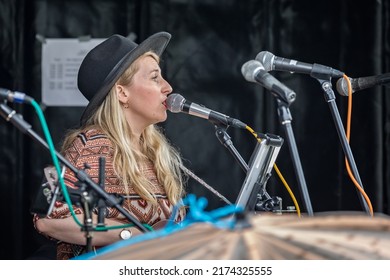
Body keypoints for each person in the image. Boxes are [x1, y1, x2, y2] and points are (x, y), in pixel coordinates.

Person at [33, 31, 187, 260]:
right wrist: (130, 234)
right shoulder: (92, 145)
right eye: (155, 77)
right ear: (122, 92)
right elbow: (48, 220)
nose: (168, 87)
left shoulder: (153, 149)